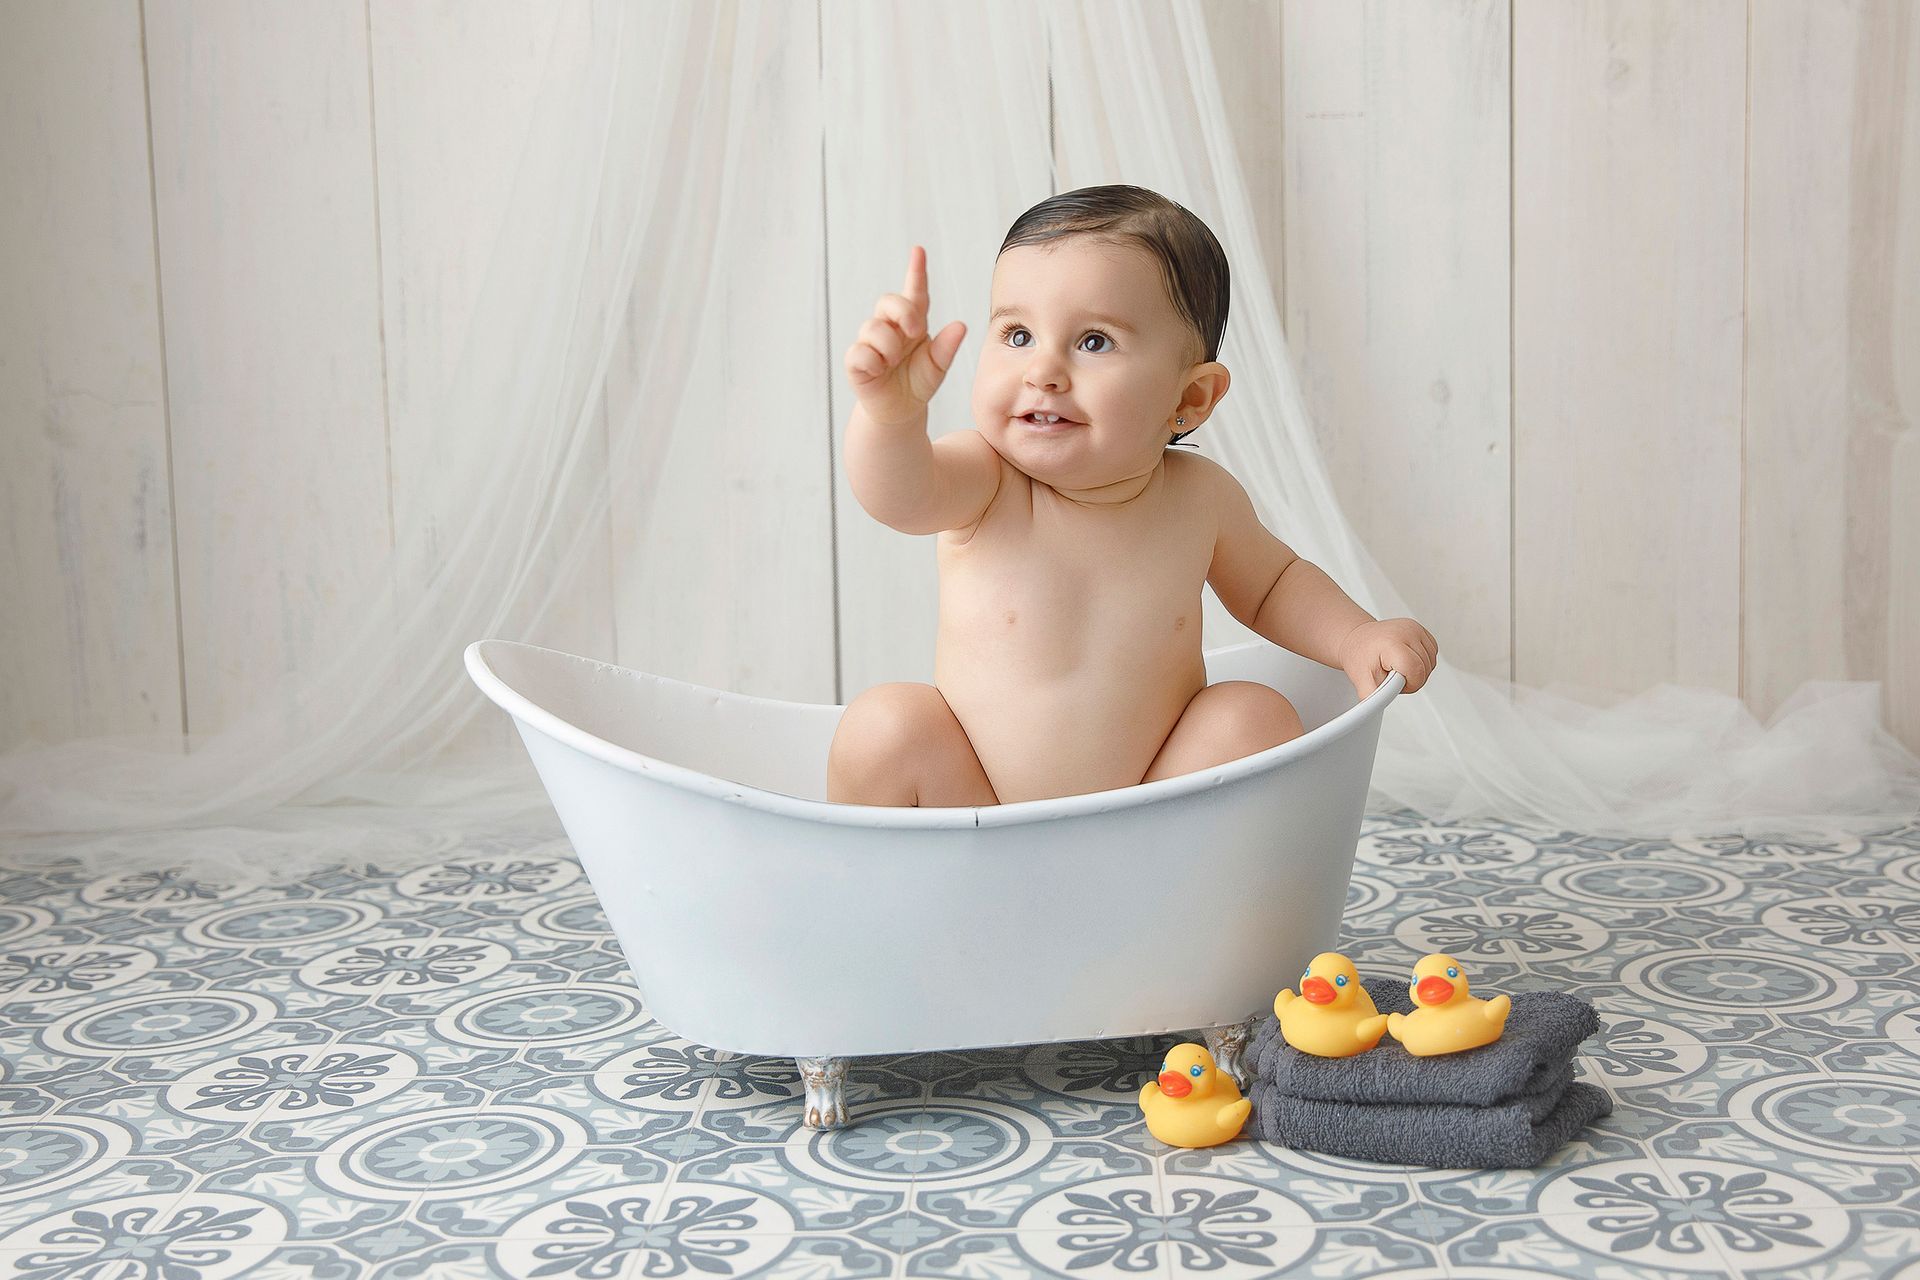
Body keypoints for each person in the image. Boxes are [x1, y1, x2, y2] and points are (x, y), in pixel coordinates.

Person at [828, 184, 1436, 807]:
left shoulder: (1201, 498)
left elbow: (1275, 585)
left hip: (1151, 819)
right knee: (884, 727)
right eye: (1017, 335)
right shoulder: (986, 478)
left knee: (1252, 717)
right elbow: (898, 495)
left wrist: (1356, 637)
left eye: (1094, 341)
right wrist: (891, 418)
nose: (1043, 371)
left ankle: (1191, 899)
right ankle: (897, 894)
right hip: (977, 816)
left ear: (1188, 399)